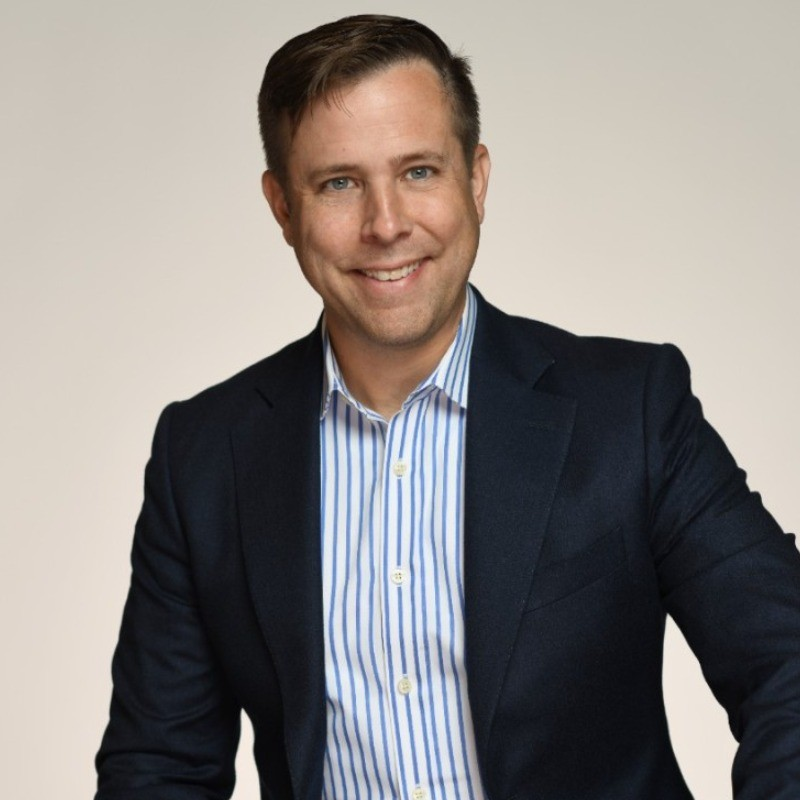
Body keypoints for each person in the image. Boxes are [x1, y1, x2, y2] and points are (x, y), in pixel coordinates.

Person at [95, 14, 800, 800]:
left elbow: (787, 665)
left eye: (419, 171)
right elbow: (158, 769)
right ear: (282, 207)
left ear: (477, 180)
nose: (386, 224)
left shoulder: (630, 413)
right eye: (338, 183)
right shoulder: (205, 457)